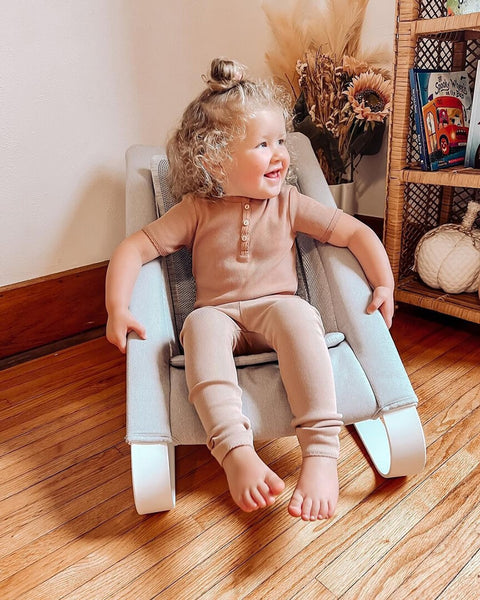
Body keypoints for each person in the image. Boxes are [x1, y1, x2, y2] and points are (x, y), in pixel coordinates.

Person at [106, 58, 394, 521]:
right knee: (199, 328)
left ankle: (321, 453)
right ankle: (236, 453)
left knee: (301, 316)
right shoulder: (196, 208)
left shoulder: (289, 203)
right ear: (215, 159)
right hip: (218, 315)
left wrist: (383, 282)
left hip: (276, 308)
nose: (281, 154)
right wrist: (117, 306)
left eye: (282, 141)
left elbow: (353, 233)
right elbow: (134, 248)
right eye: (264, 144)